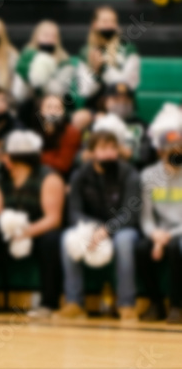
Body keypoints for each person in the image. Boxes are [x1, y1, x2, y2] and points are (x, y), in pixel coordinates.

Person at [0, 130, 65, 317]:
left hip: (38, 232)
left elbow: (53, 219)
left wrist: (24, 232)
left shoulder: (49, 177)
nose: (2, 158)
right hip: (10, 232)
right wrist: (3, 230)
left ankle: (48, 303)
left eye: (5, 154)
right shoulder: (1, 179)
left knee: (51, 241)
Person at [59, 130, 142, 320]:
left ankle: (126, 303)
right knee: (67, 238)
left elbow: (130, 213)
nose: (110, 153)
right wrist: (95, 227)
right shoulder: (80, 175)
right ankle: (74, 302)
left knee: (124, 240)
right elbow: (73, 212)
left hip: (122, 227)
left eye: (113, 148)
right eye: (104, 148)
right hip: (91, 227)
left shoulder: (129, 173)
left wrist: (107, 229)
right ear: (92, 153)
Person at [136, 128, 182, 323]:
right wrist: (155, 235)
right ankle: (156, 304)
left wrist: (167, 237)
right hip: (160, 230)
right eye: (171, 149)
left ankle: (176, 306)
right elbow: (145, 217)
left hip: (178, 231)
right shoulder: (148, 175)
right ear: (160, 152)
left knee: (175, 248)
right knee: (141, 248)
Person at [77, 7, 141, 108]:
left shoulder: (128, 49)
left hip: (121, 103)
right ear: (95, 24)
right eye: (105, 21)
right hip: (94, 106)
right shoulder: (86, 52)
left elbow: (127, 85)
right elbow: (85, 91)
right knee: (80, 116)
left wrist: (104, 67)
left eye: (112, 21)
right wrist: (95, 72)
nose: (109, 25)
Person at [15, 20, 75, 125]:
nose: (49, 39)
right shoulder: (26, 58)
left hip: (54, 106)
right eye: (46, 35)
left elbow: (60, 91)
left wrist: (43, 71)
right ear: (37, 37)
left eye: (53, 36)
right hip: (29, 106)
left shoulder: (65, 61)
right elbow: (19, 93)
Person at [34, 94, 82, 178]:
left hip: (58, 176)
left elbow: (63, 164)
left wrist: (37, 155)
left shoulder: (71, 132)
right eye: (49, 107)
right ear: (41, 111)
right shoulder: (37, 130)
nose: (53, 112)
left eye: (58, 108)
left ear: (63, 112)